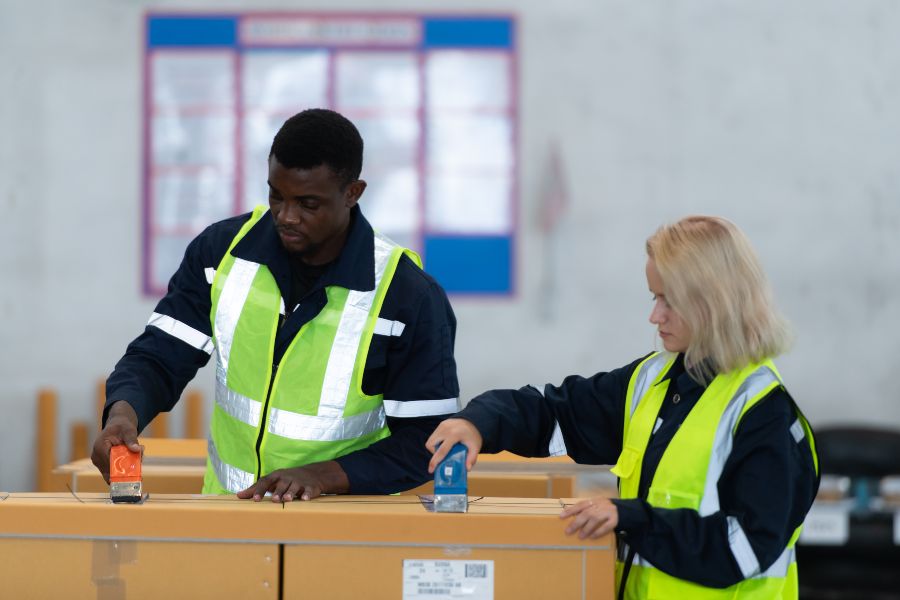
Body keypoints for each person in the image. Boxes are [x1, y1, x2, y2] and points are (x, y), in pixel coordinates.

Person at [427, 216, 819, 599]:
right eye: (654, 297)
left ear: (712, 302)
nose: (655, 316)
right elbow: (556, 413)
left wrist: (633, 518)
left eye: (670, 301)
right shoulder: (653, 382)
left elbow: (746, 547)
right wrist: (478, 423)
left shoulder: (765, 413)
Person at [92, 108, 460, 501]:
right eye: (276, 195)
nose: (286, 216)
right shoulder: (221, 254)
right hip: (229, 518)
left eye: (308, 204)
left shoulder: (406, 295)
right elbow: (161, 356)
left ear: (353, 193)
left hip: (343, 534)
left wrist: (323, 476)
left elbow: (427, 440)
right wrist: (122, 414)